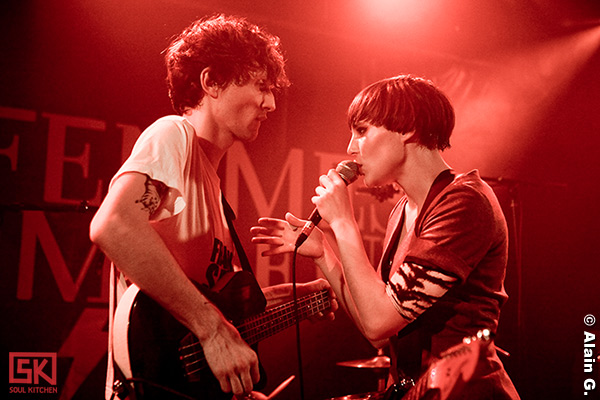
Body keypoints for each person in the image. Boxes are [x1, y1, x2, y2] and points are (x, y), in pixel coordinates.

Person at [90, 14, 335, 400]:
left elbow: (216, 305)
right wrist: (214, 331)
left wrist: (295, 298)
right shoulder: (174, 135)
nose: (271, 102)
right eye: (260, 86)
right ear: (211, 82)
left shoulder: (214, 190)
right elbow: (114, 225)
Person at [251, 75, 520, 399]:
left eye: (362, 131)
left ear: (407, 128)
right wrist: (325, 253)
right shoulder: (402, 210)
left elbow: (378, 321)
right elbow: (375, 328)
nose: (351, 148)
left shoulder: (464, 203)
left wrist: (344, 222)